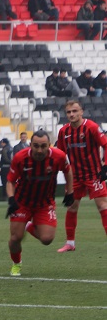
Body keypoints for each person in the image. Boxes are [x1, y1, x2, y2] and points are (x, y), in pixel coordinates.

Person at [5, 130, 74, 276]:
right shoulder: (20, 158)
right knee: (15, 238)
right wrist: (11, 200)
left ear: (49, 145)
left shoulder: (59, 156)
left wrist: (70, 191)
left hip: (45, 203)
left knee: (47, 239)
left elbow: (68, 171)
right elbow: (10, 180)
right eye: (36, 146)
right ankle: (17, 263)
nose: (39, 150)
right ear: (30, 145)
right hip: (22, 202)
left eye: (43, 146)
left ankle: (28, 225)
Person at [54, 100, 107, 252]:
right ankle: (70, 243)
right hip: (75, 177)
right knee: (72, 207)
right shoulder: (64, 132)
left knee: (103, 206)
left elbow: (106, 144)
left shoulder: (91, 127)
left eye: (75, 111)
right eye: (69, 112)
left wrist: (105, 165)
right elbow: (61, 154)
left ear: (81, 112)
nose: (72, 114)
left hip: (94, 175)